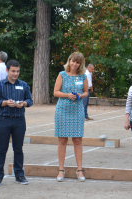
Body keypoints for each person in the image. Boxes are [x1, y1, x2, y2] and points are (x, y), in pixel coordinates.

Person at [0, 60, 33, 187]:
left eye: (18, 71)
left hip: (19, 120)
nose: (16, 74)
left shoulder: (24, 85)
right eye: (13, 71)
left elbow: (30, 101)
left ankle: (19, 175)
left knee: (18, 149)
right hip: (3, 119)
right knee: (2, 149)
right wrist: (4, 103)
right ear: (7, 70)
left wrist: (23, 103)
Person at [54, 52, 88, 182]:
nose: (75, 64)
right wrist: (68, 95)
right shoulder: (62, 75)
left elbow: (86, 92)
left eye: (77, 62)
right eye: (73, 61)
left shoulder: (83, 76)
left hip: (77, 109)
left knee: (77, 140)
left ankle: (79, 170)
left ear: (81, 64)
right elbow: (56, 92)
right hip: (62, 109)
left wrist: (80, 95)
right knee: (62, 140)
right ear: (69, 61)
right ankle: (61, 170)